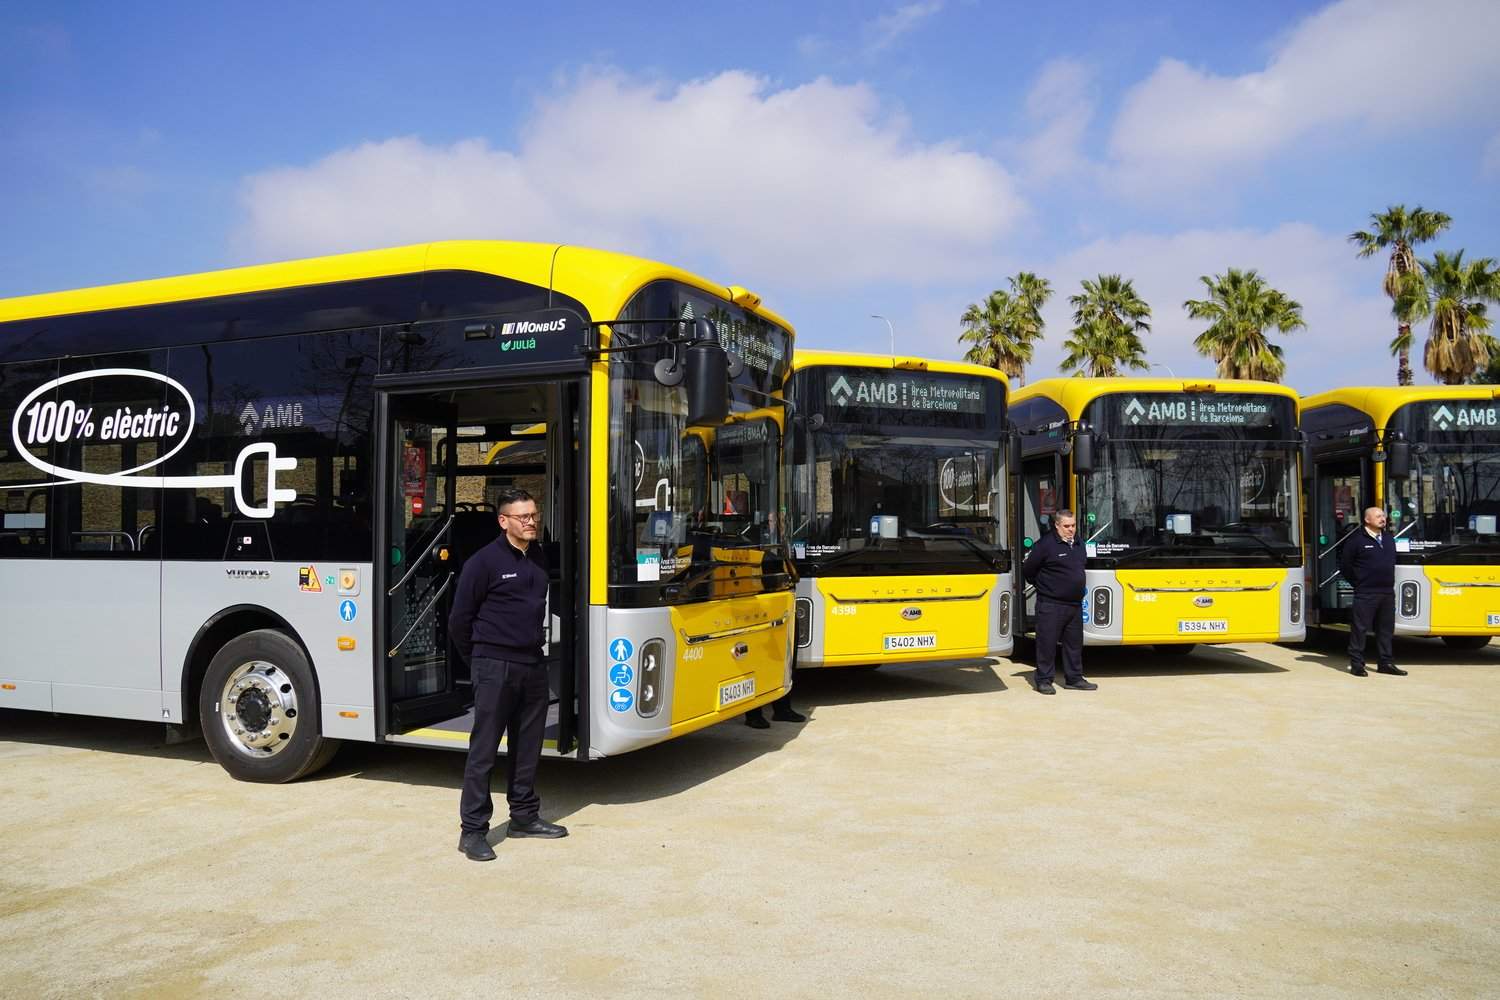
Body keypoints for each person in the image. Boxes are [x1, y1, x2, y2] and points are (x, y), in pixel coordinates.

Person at [450, 488, 568, 862]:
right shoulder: (483, 563)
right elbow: (459, 621)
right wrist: (481, 661)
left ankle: (524, 816)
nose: (532, 522)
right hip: (494, 665)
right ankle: (472, 832)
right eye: (523, 517)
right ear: (504, 521)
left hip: (532, 664)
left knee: (527, 746)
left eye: (534, 515)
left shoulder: (538, 556)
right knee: (484, 751)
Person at [1022, 509, 1097, 695]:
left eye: (1073, 525)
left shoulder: (1079, 543)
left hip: (1074, 604)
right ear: (1057, 526)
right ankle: (1044, 680)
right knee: (1046, 644)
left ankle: (1074, 678)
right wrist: (1045, 586)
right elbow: (1029, 569)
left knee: (1074, 644)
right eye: (1066, 526)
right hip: (1051, 604)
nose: (1071, 530)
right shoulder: (1045, 545)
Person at [1339, 506, 1407, 678]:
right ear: (1367, 519)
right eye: (1378, 516)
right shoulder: (1356, 540)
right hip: (1365, 592)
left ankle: (1386, 663)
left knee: (1385, 630)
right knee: (1360, 630)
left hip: (1386, 593)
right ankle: (1357, 664)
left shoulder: (1389, 539)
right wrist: (1358, 583)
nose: (1382, 518)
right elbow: (1345, 566)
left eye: (1383, 516)